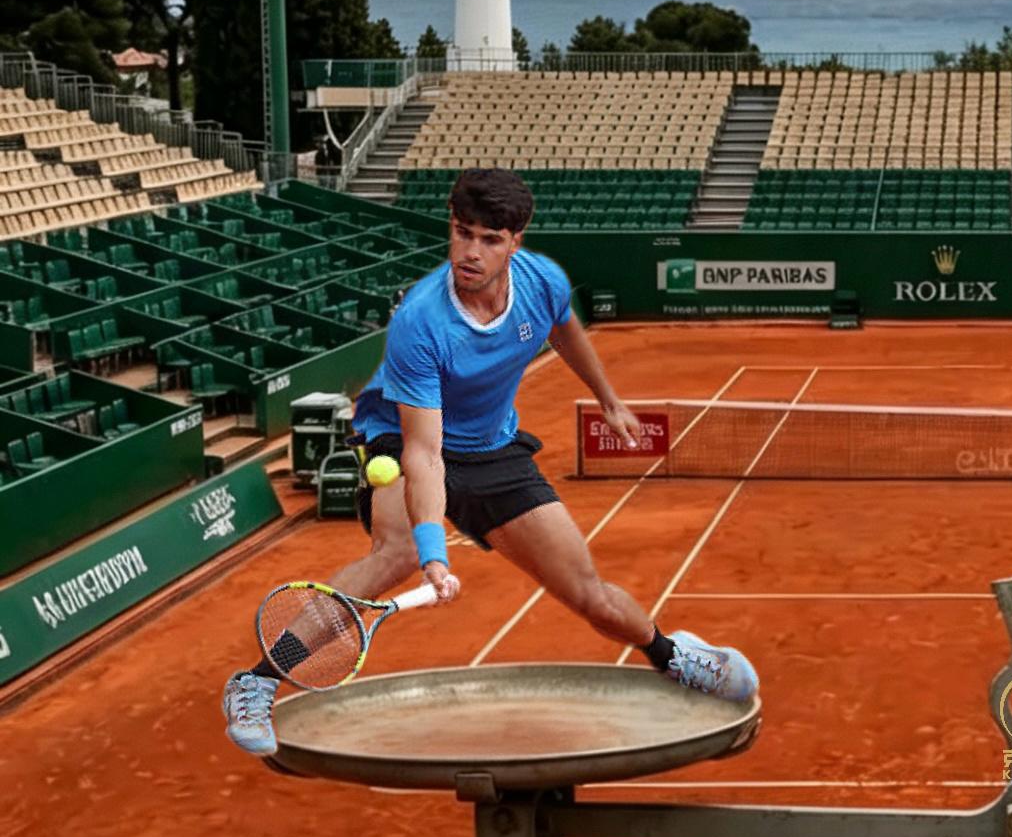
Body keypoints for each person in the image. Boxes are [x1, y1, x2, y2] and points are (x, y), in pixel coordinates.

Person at [222, 167, 758, 756]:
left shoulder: (542, 282)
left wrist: (608, 399)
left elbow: (566, 330)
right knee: (396, 553)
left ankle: (673, 655)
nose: (471, 252)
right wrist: (433, 554)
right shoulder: (421, 322)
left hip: (494, 449)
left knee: (589, 594)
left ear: (515, 242)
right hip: (406, 438)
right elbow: (425, 454)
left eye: (490, 239)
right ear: (451, 227)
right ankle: (257, 682)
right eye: (462, 233)